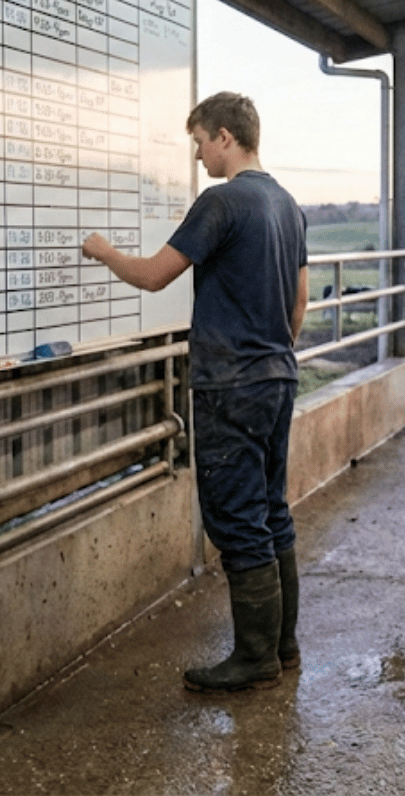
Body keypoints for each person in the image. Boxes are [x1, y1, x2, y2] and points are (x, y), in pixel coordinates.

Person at [82, 91, 308, 692]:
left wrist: (104, 252)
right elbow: (299, 304)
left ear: (227, 136)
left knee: (237, 519)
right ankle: (283, 648)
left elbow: (156, 276)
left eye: (202, 141)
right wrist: (271, 354)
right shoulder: (287, 205)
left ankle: (255, 657)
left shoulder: (223, 202)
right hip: (276, 378)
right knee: (271, 510)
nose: (200, 154)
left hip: (229, 385)